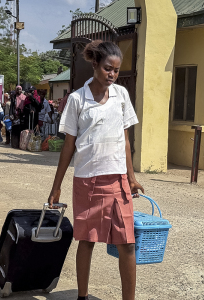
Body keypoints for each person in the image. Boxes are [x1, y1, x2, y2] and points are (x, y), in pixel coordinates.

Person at [47, 40, 143, 300]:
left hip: (118, 180)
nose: (112, 74)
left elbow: (125, 140)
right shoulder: (78, 99)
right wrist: (56, 187)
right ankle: (82, 296)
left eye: (116, 70)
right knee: (87, 241)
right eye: (107, 68)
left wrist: (131, 178)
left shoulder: (121, 95)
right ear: (94, 65)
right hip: (87, 181)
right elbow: (69, 146)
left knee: (128, 243)